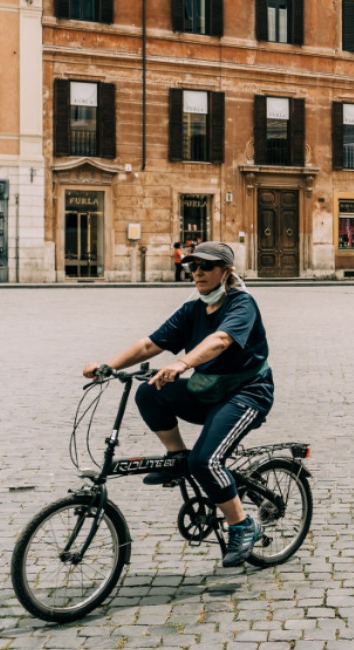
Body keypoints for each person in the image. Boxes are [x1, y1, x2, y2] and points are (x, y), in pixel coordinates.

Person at [81, 242, 273, 568]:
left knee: (207, 461)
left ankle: (242, 525)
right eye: (193, 267)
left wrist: (182, 364)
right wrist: (107, 367)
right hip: (208, 391)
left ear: (226, 271)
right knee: (149, 391)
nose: (197, 272)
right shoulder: (192, 309)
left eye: (206, 267)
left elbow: (220, 340)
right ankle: (178, 456)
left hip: (247, 394)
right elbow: (149, 344)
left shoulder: (242, 304)